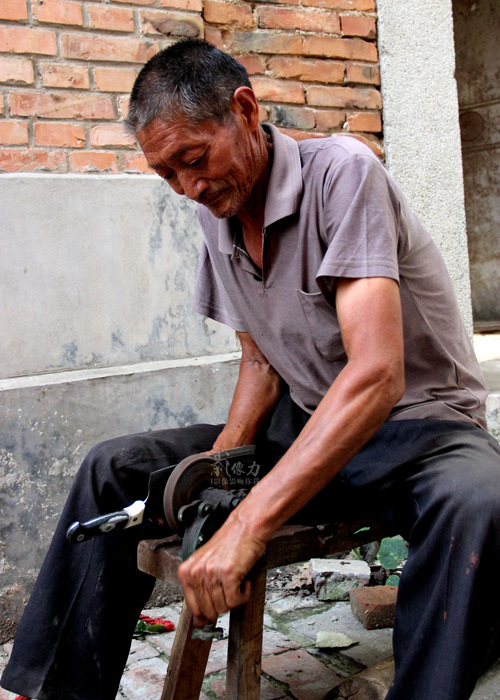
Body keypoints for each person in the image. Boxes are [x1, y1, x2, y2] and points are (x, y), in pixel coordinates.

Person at [2, 37, 500, 700]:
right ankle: (46, 694)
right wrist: (221, 469)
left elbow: (377, 375)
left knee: (483, 501)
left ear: (244, 108)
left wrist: (247, 523)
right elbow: (261, 360)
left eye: (194, 160)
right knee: (113, 471)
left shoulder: (341, 173)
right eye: (168, 175)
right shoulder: (220, 210)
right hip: (309, 428)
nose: (190, 188)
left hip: (419, 430)